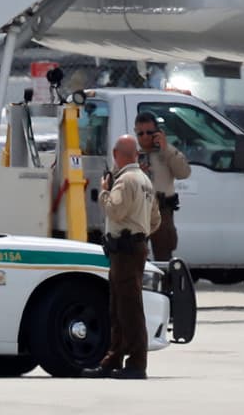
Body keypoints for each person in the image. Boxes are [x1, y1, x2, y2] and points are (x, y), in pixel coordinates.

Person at [83, 134, 157, 380]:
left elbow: (115, 210)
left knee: (128, 309)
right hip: (133, 248)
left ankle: (136, 363)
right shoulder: (145, 180)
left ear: (117, 155)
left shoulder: (125, 181)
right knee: (119, 307)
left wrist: (105, 191)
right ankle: (113, 359)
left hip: (125, 250)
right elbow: (155, 219)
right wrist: (140, 232)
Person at [134, 110, 191, 260]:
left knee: (164, 256)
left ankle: (166, 283)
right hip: (137, 211)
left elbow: (183, 173)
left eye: (149, 132)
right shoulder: (131, 153)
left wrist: (166, 149)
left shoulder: (167, 153)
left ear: (157, 132)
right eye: (140, 133)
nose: (145, 136)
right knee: (135, 257)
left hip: (162, 210)